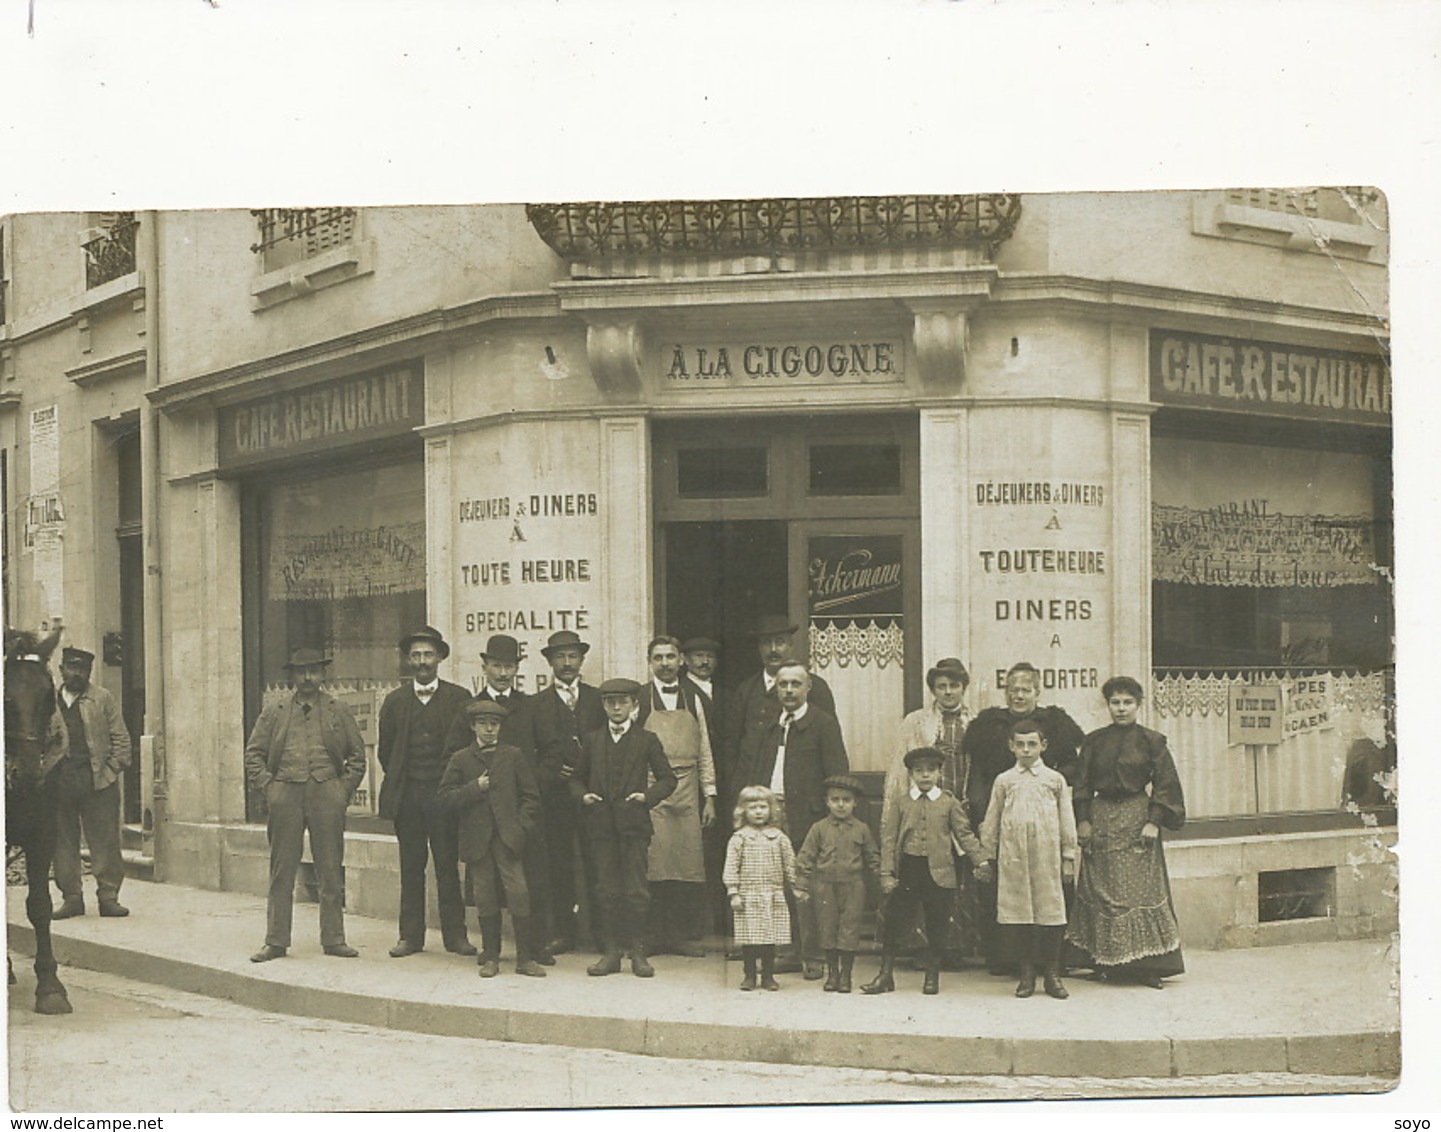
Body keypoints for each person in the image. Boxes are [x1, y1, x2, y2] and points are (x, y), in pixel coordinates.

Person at [961, 661, 1085, 973]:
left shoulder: (1055, 724)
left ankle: (1051, 961)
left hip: (1043, 819)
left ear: (1037, 692)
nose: (1019, 696)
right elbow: (977, 776)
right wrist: (980, 813)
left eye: (1025, 690)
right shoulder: (989, 725)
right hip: (1002, 815)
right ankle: (1007, 960)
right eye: (1013, 690)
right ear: (1006, 692)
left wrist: (1043, 777)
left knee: (1049, 890)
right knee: (1005, 890)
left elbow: (1073, 767)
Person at [244, 648, 366, 962]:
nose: (308, 678)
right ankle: (276, 940)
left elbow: (357, 757)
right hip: (285, 794)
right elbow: (253, 755)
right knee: (282, 869)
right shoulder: (275, 711)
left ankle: (334, 938)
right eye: (301, 672)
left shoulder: (338, 709)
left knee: (329, 868)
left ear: (323, 674)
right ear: (292, 676)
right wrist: (270, 788)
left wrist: (341, 790)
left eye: (313, 671)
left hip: (327, 794)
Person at [1066, 676, 1186, 989]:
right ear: (1108, 705)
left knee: (1139, 891)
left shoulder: (1151, 741)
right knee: (1101, 890)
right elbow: (1082, 784)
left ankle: (1147, 966)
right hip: (1102, 816)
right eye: (1115, 703)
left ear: (1138, 704)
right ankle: (1102, 962)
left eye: (1127, 702)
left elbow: (1166, 783)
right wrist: (1083, 820)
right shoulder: (1093, 741)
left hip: (1137, 818)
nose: (1121, 709)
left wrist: (1154, 821)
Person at [731, 660, 848, 979]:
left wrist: (830, 818)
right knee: (776, 885)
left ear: (808, 687)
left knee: (806, 887)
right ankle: (787, 951)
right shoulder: (770, 725)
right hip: (769, 815)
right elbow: (754, 768)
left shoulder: (822, 723)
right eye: (783, 684)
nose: (789, 690)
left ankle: (813, 955)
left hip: (806, 815)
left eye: (796, 684)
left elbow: (837, 772)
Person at [442, 633, 554, 962]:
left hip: (520, 816)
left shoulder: (531, 706)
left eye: (509, 666)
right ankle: (491, 950)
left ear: (517, 668)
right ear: (485, 666)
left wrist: (526, 793)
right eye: (497, 666)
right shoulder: (468, 709)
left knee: (526, 883)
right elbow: (452, 757)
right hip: (481, 815)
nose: (503, 673)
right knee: (486, 888)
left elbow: (552, 754)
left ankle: (531, 950)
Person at [376, 626, 475, 958]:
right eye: (416, 655)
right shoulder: (394, 701)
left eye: (428, 654)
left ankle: (456, 937)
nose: (422, 662)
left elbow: (466, 749)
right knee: (411, 866)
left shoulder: (460, 699)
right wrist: (407, 782)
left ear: (440, 658)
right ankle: (410, 937)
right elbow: (385, 752)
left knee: (448, 867)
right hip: (409, 798)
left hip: (444, 797)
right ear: (408, 660)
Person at [573, 678, 677, 978]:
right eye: (610, 702)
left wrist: (647, 797)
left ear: (634, 706)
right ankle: (611, 953)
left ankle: (638, 954)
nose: (617, 707)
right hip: (602, 827)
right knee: (607, 890)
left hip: (634, 827)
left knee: (635, 890)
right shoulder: (592, 740)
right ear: (604, 706)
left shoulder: (647, 740)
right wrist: (584, 795)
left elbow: (668, 779)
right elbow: (575, 779)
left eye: (623, 702)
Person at [878, 657, 978, 965]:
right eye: (941, 687)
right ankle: (920, 948)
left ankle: (953, 948)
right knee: (922, 875)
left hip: (959, 806)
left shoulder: (975, 721)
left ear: (964, 687)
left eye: (954, 686)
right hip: (923, 808)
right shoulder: (916, 721)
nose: (948, 692)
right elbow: (899, 767)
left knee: (953, 879)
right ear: (933, 690)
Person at [863, 747, 984, 996]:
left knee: (937, 924)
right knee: (894, 922)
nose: (925, 776)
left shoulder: (949, 802)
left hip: (939, 873)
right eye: (919, 771)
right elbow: (889, 838)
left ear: (940, 773)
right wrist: (887, 873)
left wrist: (981, 861)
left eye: (931, 770)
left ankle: (932, 975)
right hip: (908, 870)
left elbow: (964, 834)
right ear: (911, 774)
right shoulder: (901, 802)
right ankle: (885, 975)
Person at [437, 700, 544, 977]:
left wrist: (520, 827)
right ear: (473, 726)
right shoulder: (460, 758)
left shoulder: (513, 756)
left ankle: (525, 958)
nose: (488, 729)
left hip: (508, 839)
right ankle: (491, 957)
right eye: (483, 723)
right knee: (485, 896)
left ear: (500, 727)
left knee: (519, 892)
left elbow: (531, 798)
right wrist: (475, 788)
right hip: (477, 840)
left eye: (494, 724)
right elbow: (445, 798)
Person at [978, 717, 1079, 1000]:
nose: (1026, 750)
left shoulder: (1054, 780)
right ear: (1011, 746)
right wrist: (989, 855)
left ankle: (1052, 974)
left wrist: (1068, 856)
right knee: (1021, 915)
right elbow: (992, 820)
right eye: (1020, 744)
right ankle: (1026, 975)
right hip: (1014, 858)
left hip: (1047, 858)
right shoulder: (1004, 781)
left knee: (1051, 914)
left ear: (1043, 746)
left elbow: (1066, 820)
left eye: (1032, 744)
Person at [636, 635, 717, 957]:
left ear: (681, 660)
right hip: (652, 789)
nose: (666, 663)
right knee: (655, 864)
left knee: (685, 865)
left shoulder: (694, 696)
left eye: (671, 656)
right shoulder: (640, 698)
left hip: (687, 791)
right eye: (659, 658)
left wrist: (710, 795)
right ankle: (655, 935)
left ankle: (679, 935)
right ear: (650, 662)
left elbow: (706, 749)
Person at [528, 629, 606, 956]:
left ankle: (602, 934)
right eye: (560, 657)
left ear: (582, 659)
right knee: (558, 864)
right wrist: (550, 773)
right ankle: (563, 931)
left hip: (591, 797)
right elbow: (527, 754)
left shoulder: (597, 699)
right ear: (549, 662)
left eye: (573, 656)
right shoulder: (536, 705)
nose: (567, 663)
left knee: (597, 863)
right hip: (555, 800)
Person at [51, 647, 132, 920]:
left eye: (83, 670)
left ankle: (108, 897)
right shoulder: (49, 701)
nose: (77, 675)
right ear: (61, 669)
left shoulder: (102, 699)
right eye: (72, 668)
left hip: (97, 781)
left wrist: (110, 771)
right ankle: (72, 898)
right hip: (60, 781)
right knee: (62, 842)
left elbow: (121, 741)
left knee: (105, 842)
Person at [725, 614, 838, 802]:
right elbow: (731, 744)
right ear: (759, 648)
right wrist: (736, 784)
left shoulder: (815, 687)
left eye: (780, 642)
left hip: (801, 794)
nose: (773, 650)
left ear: (791, 646)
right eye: (766, 643)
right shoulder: (746, 690)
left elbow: (830, 746)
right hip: (754, 795)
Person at [794, 774, 878, 993]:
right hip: (824, 886)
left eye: (846, 800)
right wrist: (801, 884)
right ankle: (832, 974)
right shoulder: (819, 828)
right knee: (827, 929)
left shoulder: (862, 829)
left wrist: (882, 882)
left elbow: (873, 858)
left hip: (853, 886)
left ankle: (846, 976)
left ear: (855, 803)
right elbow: (806, 857)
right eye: (835, 799)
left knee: (849, 930)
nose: (841, 804)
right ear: (827, 802)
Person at [723, 785, 796, 992]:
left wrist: (795, 885)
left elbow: (790, 863)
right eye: (752, 807)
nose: (758, 812)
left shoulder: (779, 837)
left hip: (773, 895)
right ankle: (749, 975)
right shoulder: (739, 838)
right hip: (748, 896)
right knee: (750, 940)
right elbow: (731, 866)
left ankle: (768, 975)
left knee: (769, 940)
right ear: (743, 811)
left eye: (762, 807)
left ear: (771, 809)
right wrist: (733, 892)